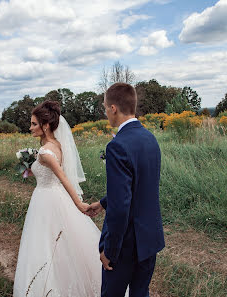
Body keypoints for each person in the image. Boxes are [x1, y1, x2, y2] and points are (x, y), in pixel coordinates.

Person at [13, 100, 103, 297]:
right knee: (61, 245)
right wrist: (31, 167)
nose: (30, 128)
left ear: (46, 126)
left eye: (34, 124)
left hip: (46, 200)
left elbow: (63, 178)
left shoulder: (45, 153)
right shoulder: (56, 145)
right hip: (51, 196)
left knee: (45, 246)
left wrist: (80, 205)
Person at [87, 83, 165, 297]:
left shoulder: (117, 145)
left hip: (126, 245)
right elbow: (138, 186)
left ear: (113, 108)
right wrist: (103, 203)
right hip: (149, 238)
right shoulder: (150, 138)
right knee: (141, 293)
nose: (105, 113)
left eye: (105, 108)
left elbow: (121, 207)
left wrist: (110, 250)